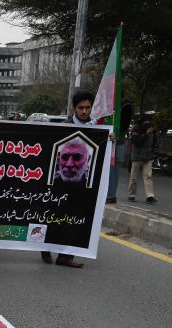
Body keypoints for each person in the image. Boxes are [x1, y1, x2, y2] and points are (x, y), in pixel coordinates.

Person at [42, 89, 103, 268]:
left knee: (76, 217)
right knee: (55, 216)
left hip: (82, 184)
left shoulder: (97, 129)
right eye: (80, 108)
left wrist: (110, 139)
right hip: (60, 183)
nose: (84, 111)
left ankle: (65, 256)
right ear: (74, 108)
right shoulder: (64, 127)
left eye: (88, 108)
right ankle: (46, 246)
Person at [128, 114, 157, 204]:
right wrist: (146, 134)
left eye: (150, 121)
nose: (148, 123)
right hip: (137, 156)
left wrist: (153, 153)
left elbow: (154, 142)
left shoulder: (152, 130)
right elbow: (136, 142)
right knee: (134, 177)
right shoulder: (136, 128)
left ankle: (150, 196)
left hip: (148, 157)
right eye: (146, 121)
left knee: (148, 176)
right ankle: (131, 195)